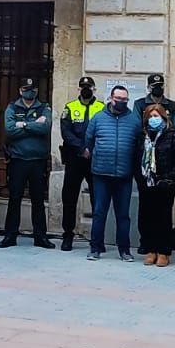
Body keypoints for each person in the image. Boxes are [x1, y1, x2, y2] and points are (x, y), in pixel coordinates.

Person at [84, 84, 140, 261]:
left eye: (125, 100)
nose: (121, 102)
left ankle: (124, 250)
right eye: (118, 99)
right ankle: (95, 248)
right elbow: (89, 141)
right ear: (111, 98)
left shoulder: (134, 120)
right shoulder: (98, 118)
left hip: (124, 175)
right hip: (101, 174)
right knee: (99, 212)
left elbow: (138, 146)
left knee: (123, 215)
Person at [0, 77, 54, 248]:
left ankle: (40, 237)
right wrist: (32, 125)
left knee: (38, 200)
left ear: (36, 91)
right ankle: (10, 236)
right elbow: (9, 131)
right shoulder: (12, 107)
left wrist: (22, 125)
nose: (29, 92)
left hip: (38, 161)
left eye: (32, 89)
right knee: (14, 199)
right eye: (25, 88)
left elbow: (45, 128)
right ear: (20, 91)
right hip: (18, 160)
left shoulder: (44, 107)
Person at [58, 75, 102, 252]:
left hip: (94, 159)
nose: (86, 89)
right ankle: (68, 235)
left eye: (89, 87)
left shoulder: (102, 108)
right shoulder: (70, 108)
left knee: (97, 199)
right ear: (78, 89)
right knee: (69, 198)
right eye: (83, 86)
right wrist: (81, 149)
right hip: (75, 159)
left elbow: (103, 131)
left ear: (94, 89)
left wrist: (91, 149)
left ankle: (96, 238)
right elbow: (66, 133)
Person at [137, 103, 175, 265]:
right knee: (148, 217)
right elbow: (137, 157)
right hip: (147, 181)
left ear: (163, 117)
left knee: (163, 217)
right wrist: (141, 177)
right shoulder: (142, 135)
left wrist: (169, 177)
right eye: (150, 116)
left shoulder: (172, 134)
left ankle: (164, 252)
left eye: (156, 116)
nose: (153, 119)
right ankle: (151, 250)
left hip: (166, 182)